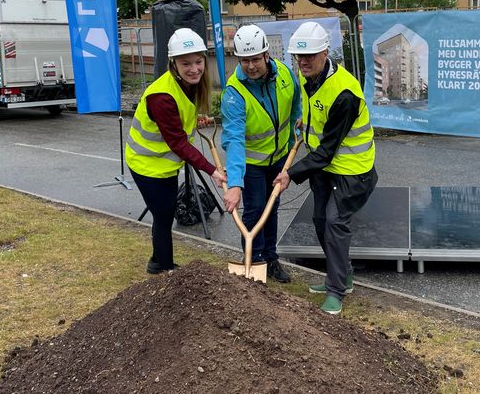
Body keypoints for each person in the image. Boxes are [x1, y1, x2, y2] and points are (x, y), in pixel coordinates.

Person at [273, 21, 377, 314]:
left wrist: (290, 174)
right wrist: (304, 122)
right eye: (299, 56)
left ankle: (336, 290)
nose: (303, 62)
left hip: (352, 170)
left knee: (334, 222)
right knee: (319, 220)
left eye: (310, 55)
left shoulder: (344, 93)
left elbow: (327, 151)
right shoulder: (311, 77)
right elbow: (318, 112)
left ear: (325, 53)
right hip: (326, 167)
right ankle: (343, 275)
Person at [126, 28, 226, 275]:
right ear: (174, 64)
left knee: (166, 212)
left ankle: (158, 260)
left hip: (166, 164)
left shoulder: (188, 85)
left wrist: (195, 119)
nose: (194, 69)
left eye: (198, 62)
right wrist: (212, 170)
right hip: (146, 164)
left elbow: (179, 120)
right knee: (163, 215)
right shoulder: (161, 96)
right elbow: (178, 143)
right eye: (186, 64)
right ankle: (163, 268)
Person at [221, 24, 301, 283]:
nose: (251, 66)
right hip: (252, 163)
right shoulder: (234, 93)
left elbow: (296, 103)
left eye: (255, 59)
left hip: (280, 158)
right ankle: (255, 261)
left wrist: (299, 126)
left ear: (267, 55)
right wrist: (235, 183)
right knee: (255, 210)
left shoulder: (285, 74)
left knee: (272, 207)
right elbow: (234, 139)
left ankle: (270, 258)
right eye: (244, 61)